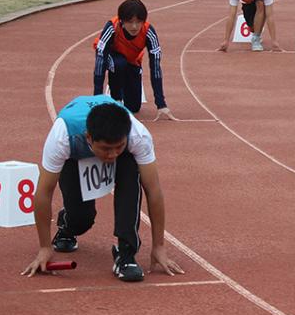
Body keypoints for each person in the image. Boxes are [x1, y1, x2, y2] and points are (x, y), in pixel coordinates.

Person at [21, 95, 185, 281]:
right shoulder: (62, 136)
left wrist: (159, 246)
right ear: (89, 138)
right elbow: (44, 192)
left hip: (121, 152)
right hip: (75, 155)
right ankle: (68, 226)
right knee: (82, 219)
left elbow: (153, 190)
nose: (112, 154)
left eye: (119, 146)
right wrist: (44, 247)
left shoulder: (138, 135)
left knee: (131, 173)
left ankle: (126, 255)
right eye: (106, 149)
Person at [93, 0, 172, 119]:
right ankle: (116, 98)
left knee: (133, 107)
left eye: (139, 21)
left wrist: (161, 104)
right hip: (112, 57)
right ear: (122, 21)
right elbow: (100, 62)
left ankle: (125, 89)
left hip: (132, 61)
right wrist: (96, 101)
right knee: (119, 63)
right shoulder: (112, 27)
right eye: (130, 22)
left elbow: (155, 66)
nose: (134, 26)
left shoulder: (149, 32)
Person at [218, 0, 282, 52]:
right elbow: (231, 15)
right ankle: (256, 30)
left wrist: (274, 40)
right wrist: (226, 40)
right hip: (246, 1)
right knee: (252, 27)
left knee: (260, 5)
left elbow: (270, 16)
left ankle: (256, 39)